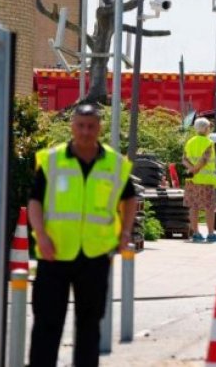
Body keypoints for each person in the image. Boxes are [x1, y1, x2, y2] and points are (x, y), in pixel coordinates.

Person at [28, 103, 136, 367]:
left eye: (91, 126)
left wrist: (125, 232)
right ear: (72, 127)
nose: (85, 132)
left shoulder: (114, 164)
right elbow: (34, 202)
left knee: (89, 326)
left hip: (95, 256)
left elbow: (130, 198)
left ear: (99, 128)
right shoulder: (53, 160)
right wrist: (40, 234)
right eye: (80, 126)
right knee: (47, 324)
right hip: (55, 254)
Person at [182, 118, 216, 243]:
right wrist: (196, 169)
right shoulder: (208, 142)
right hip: (206, 180)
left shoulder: (190, 141)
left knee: (194, 206)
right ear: (205, 128)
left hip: (191, 179)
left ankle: (196, 233)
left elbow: (184, 159)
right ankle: (210, 233)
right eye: (209, 127)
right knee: (209, 207)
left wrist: (191, 169)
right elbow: (204, 160)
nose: (210, 129)